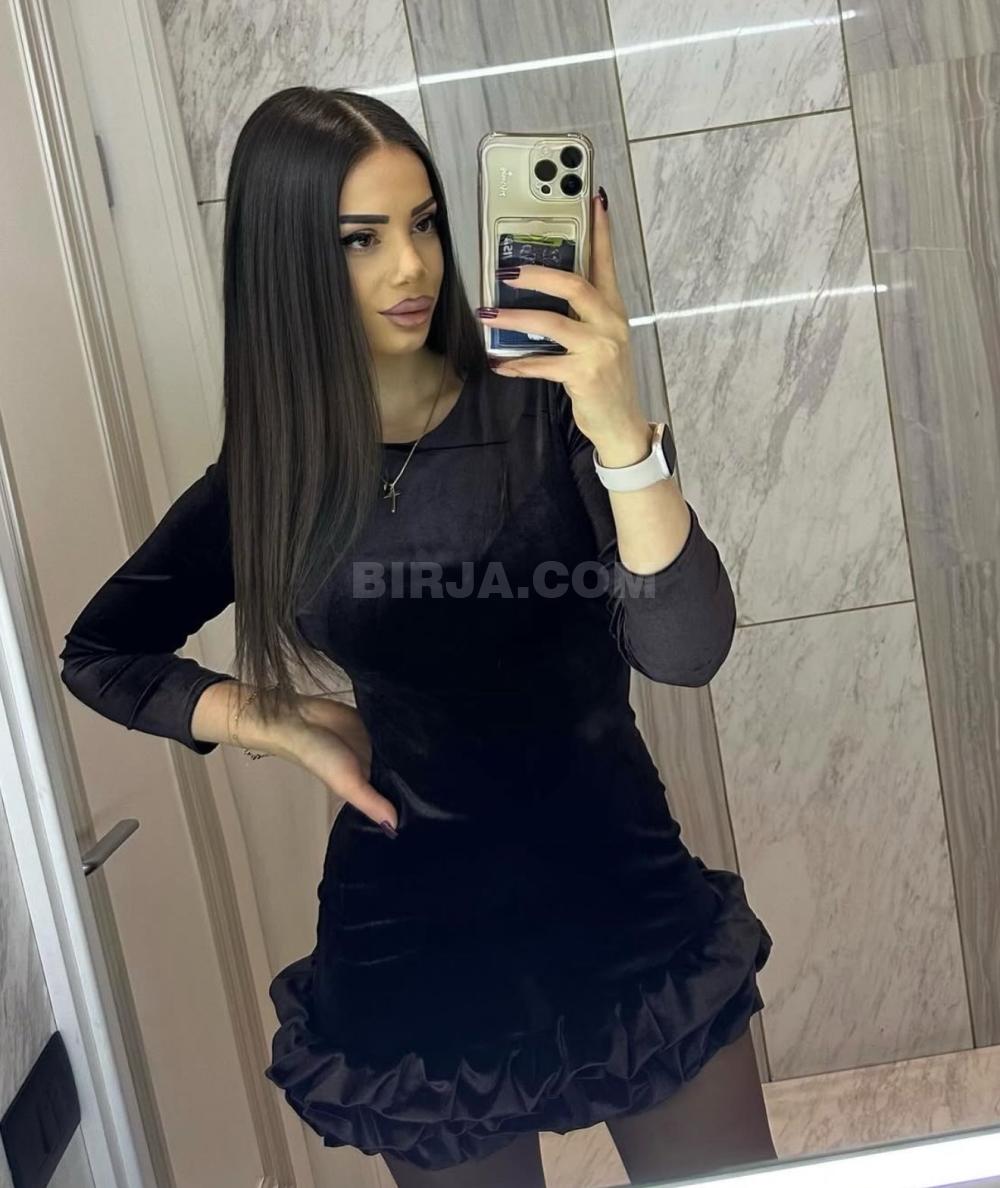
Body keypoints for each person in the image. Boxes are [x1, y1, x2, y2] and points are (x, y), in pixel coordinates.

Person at [58, 86, 777, 1186]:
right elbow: (101, 654)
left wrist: (619, 425)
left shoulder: (547, 412)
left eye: (425, 223)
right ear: (286, 265)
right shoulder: (270, 479)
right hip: (413, 951)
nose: (411, 265)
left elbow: (688, 651)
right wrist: (281, 724)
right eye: (361, 238)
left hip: (623, 905)